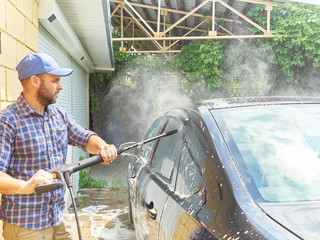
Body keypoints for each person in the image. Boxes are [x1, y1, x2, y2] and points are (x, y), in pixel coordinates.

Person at [0, 52, 118, 239]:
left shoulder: (59, 115)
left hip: (60, 218)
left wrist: (102, 146)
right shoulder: (8, 121)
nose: (61, 86)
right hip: (26, 226)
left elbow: (85, 138)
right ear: (35, 81)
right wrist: (25, 186)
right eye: (55, 80)